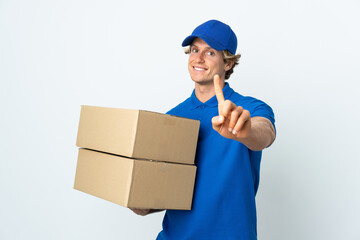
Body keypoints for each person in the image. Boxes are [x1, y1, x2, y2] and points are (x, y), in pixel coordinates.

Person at [131, 19, 276, 240]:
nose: (198, 58)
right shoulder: (171, 117)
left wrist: (244, 130)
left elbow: (264, 134)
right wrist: (139, 202)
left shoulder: (249, 108)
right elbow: (169, 191)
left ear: (227, 63)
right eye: (195, 50)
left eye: (210, 53)